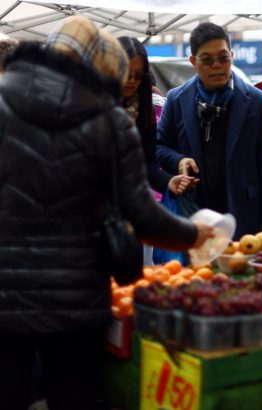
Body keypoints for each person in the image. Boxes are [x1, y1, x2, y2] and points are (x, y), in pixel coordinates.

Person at [0, 16, 214, 409]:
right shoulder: (109, 122)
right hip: (76, 303)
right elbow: (142, 217)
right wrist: (194, 234)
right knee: (73, 397)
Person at [156, 22, 262, 237]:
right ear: (193, 62)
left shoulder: (256, 102)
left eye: (223, 58)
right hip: (194, 216)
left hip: (244, 219)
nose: (217, 65)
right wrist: (179, 160)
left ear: (232, 55)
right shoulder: (177, 99)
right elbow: (159, 147)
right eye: (207, 60)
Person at [118, 36, 196, 197]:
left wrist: (169, 181)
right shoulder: (91, 106)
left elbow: (148, 165)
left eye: (138, 75)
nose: (131, 80)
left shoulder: (144, 109)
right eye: (126, 72)